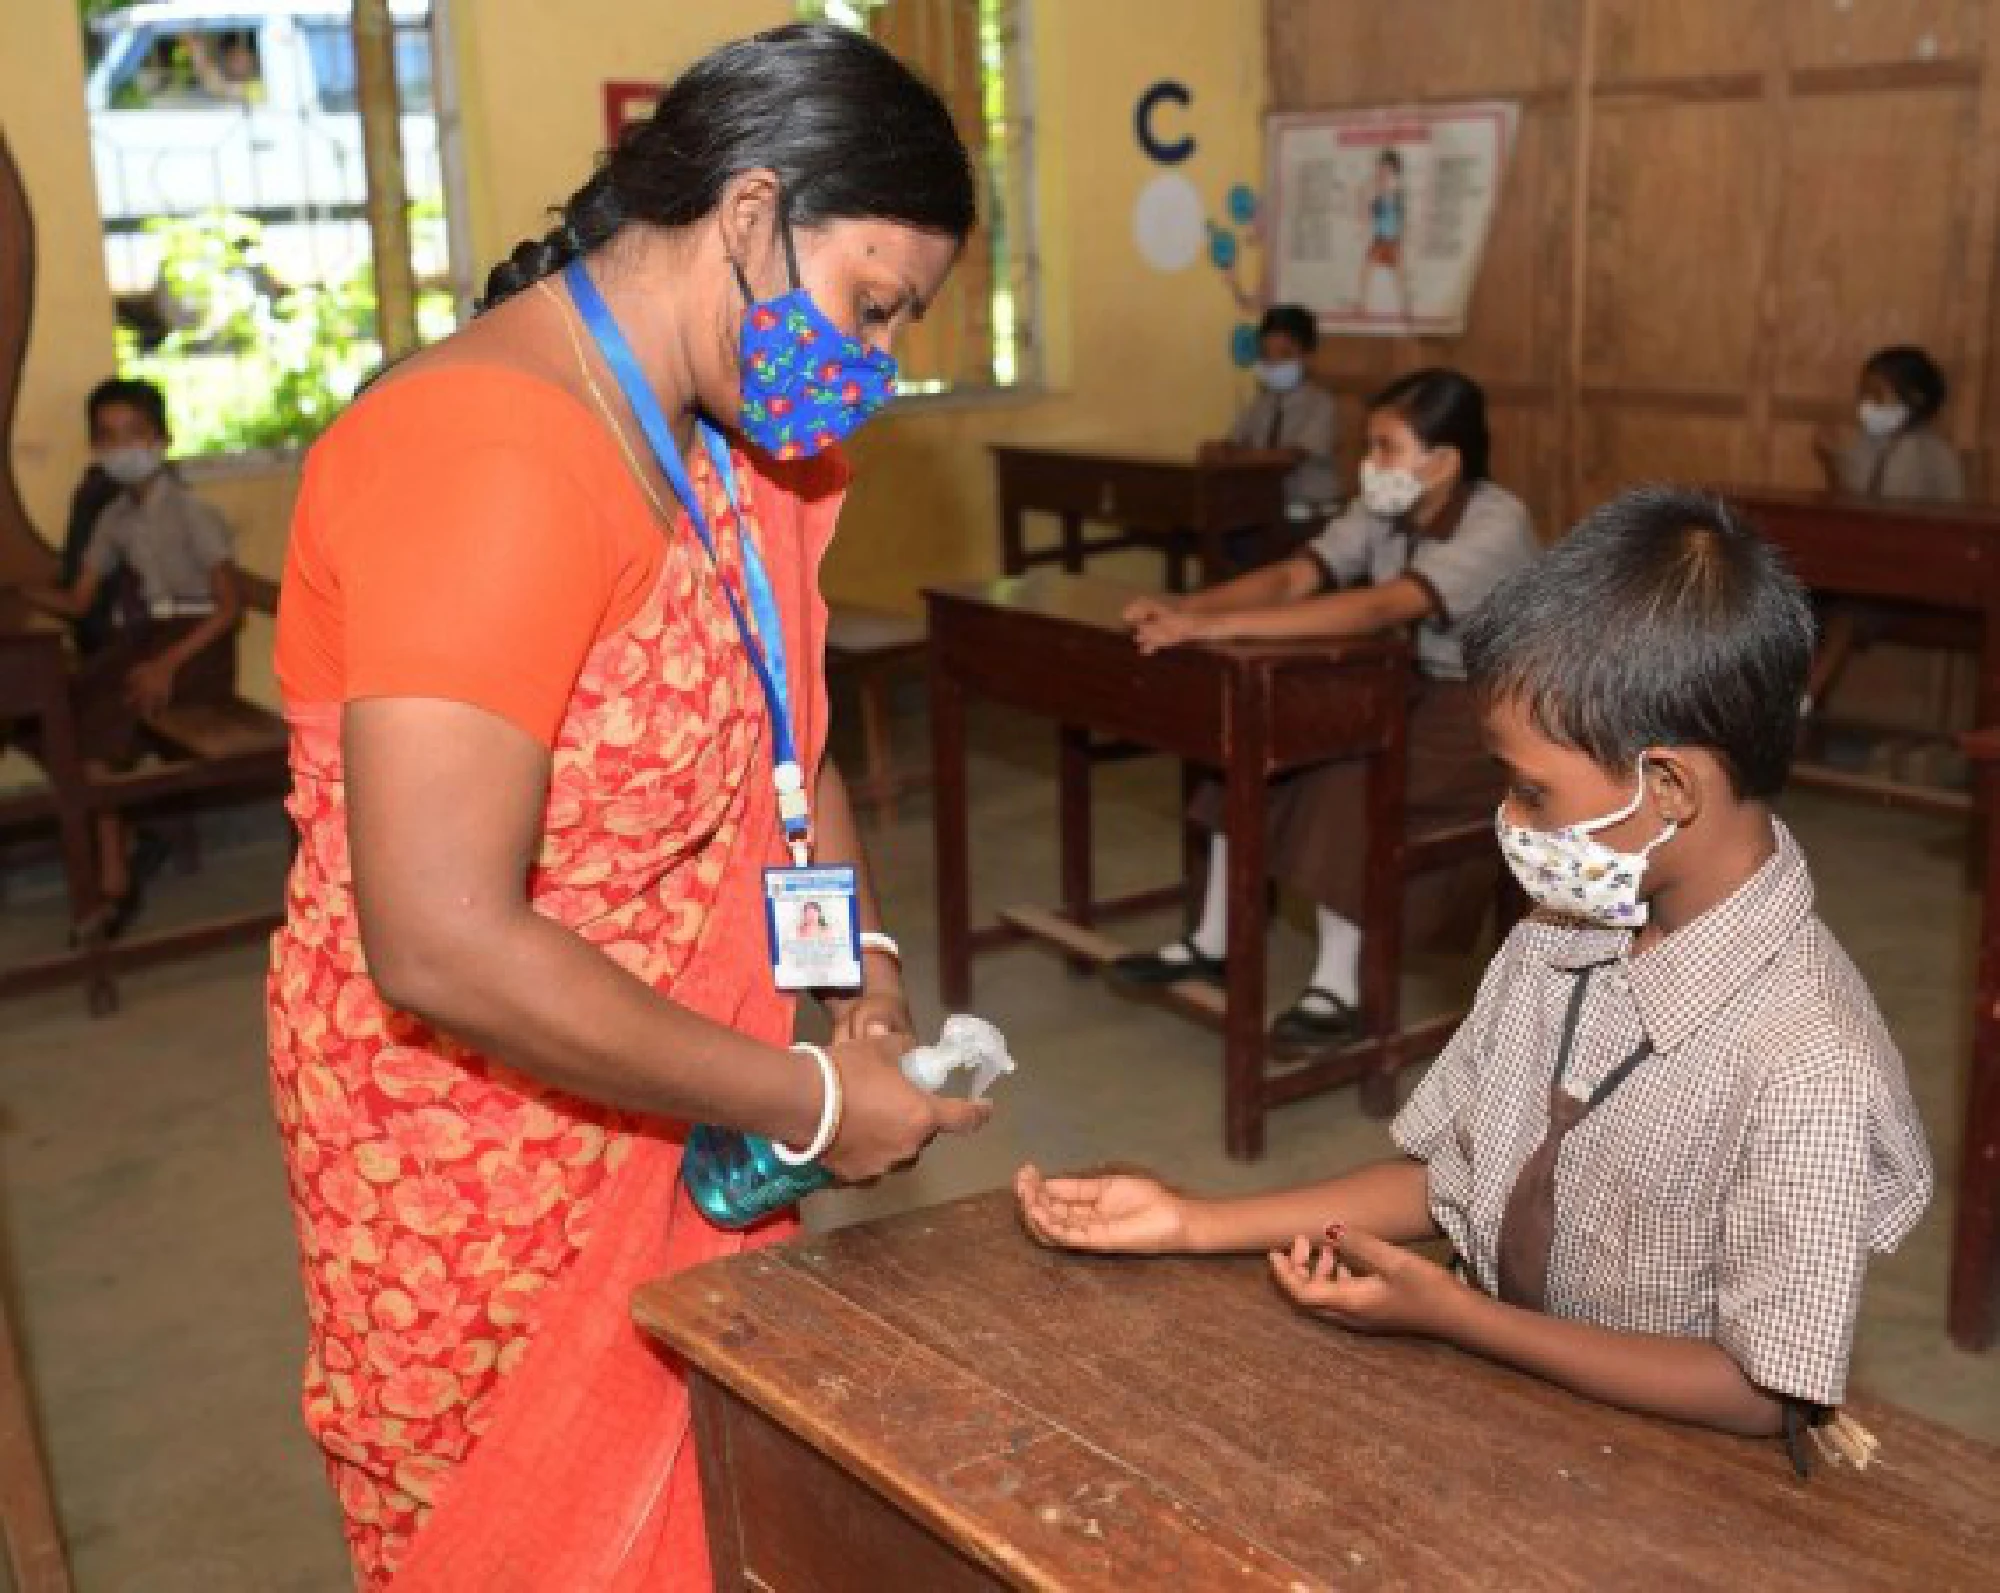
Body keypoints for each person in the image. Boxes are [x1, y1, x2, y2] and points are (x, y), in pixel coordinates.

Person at [267, 26, 988, 1588]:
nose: (871, 357)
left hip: (685, 1092)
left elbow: (789, 750)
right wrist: (795, 1101)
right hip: (486, 1164)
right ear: (747, 214)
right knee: (539, 1537)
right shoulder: (492, 453)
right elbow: (440, 940)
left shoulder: (719, 444)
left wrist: (848, 973)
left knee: (703, 1515)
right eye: (869, 303)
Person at [1020, 485, 1932, 1463]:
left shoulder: (1807, 1063)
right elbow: (1451, 1179)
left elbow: (1760, 1391)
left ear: (1666, 786)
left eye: (1531, 791)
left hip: (1675, 1481)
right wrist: (1189, 1223)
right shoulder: (1561, 930)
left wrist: (1456, 1316)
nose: (1510, 821)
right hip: (1497, 1423)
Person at [1114, 369, 1537, 1057]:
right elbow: (1295, 574)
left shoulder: (1497, 522)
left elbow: (1380, 606)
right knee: (1257, 744)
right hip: (1414, 687)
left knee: (1349, 773)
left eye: (1386, 448)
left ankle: (1337, 987)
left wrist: (1219, 630)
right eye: (1369, 448)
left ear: (1444, 461)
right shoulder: (1386, 507)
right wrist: (1192, 609)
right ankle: (1213, 942)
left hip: (1499, 717)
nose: (1370, 465)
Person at [28, 375, 241, 932]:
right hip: (145, 641)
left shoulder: (192, 511)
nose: (121, 447)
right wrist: (22, 592)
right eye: (107, 437)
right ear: (95, 448)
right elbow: (78, 600)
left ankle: (113, 878)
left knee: (115, 707)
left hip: (197, 646)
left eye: (134, 433)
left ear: (161, 438)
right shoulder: (115, 516)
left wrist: (169, 664)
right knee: (70, 706)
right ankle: (116, 843)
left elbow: (229, 607)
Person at [1806, 346, 1968, 716]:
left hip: (1919, 578)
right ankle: (1796, 701)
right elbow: (1851, 505)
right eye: (1864, 395)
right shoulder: (1871, 446)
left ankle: (1805, 704)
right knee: (1807, 604)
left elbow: (1895, 521)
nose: (1867, 405)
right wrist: (1831, 462)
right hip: (1871, 572)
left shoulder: (1930, 454)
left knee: (1847, 613)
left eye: (1877, 395)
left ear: (1914, 400)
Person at [1209, 303, 1338, 524]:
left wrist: (1241, 458)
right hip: (1265, 509)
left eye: (1285, 354)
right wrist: (1218, 451)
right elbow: (1231, 443)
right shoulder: (1260, 402)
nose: (1273, 362)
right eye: (1266, 354)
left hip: (1310, 511)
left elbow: (1290, 457)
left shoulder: (1320, 403)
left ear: (1308, 357)